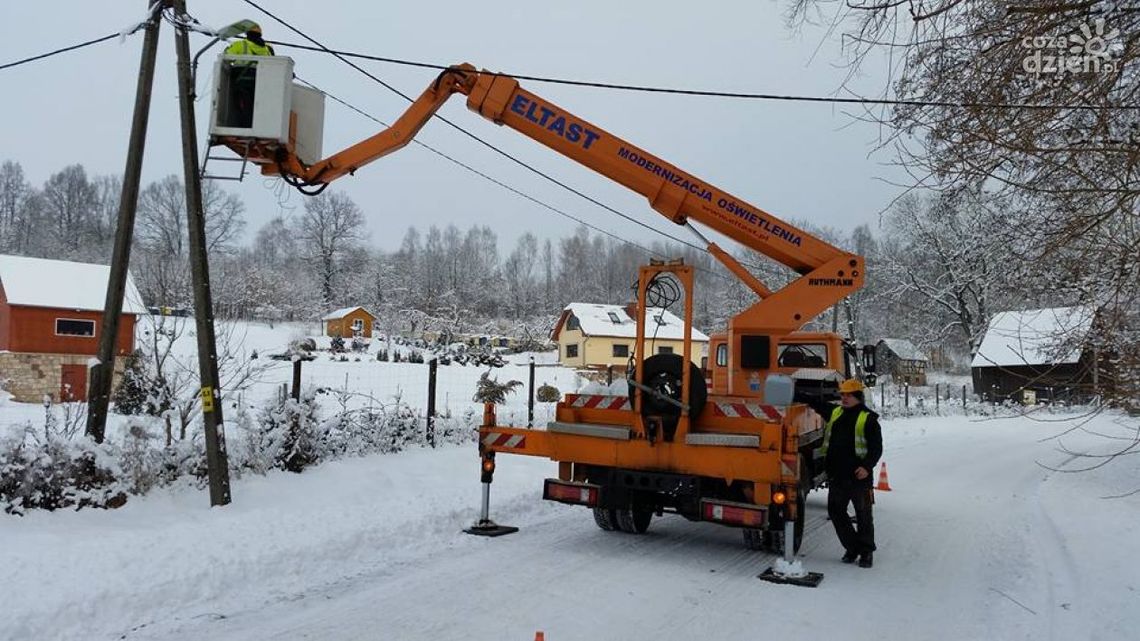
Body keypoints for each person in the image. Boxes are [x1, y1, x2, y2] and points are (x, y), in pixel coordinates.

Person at [809, 378, 883, 568]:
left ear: (858, 396)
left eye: (849, 395)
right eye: (842, 395)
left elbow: (876, 448)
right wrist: (795, 393)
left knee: (864, 515)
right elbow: (817, 404)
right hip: (837, 475)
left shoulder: (869, 419)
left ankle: (866, 553)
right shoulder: (835, 412)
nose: (844, 398)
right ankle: (853, 548)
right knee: (836, 512)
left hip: (859, 477)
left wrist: (866, 467)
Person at [223, 23, 275, 128]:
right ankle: (255, 126)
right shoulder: (267, 50)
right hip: (261, 84)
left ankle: (244, 127)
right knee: (256, 107)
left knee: (242, 107)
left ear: (247, 34)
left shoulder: (240, 45)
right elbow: (274, 66)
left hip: (242, 82)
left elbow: (226, 57)